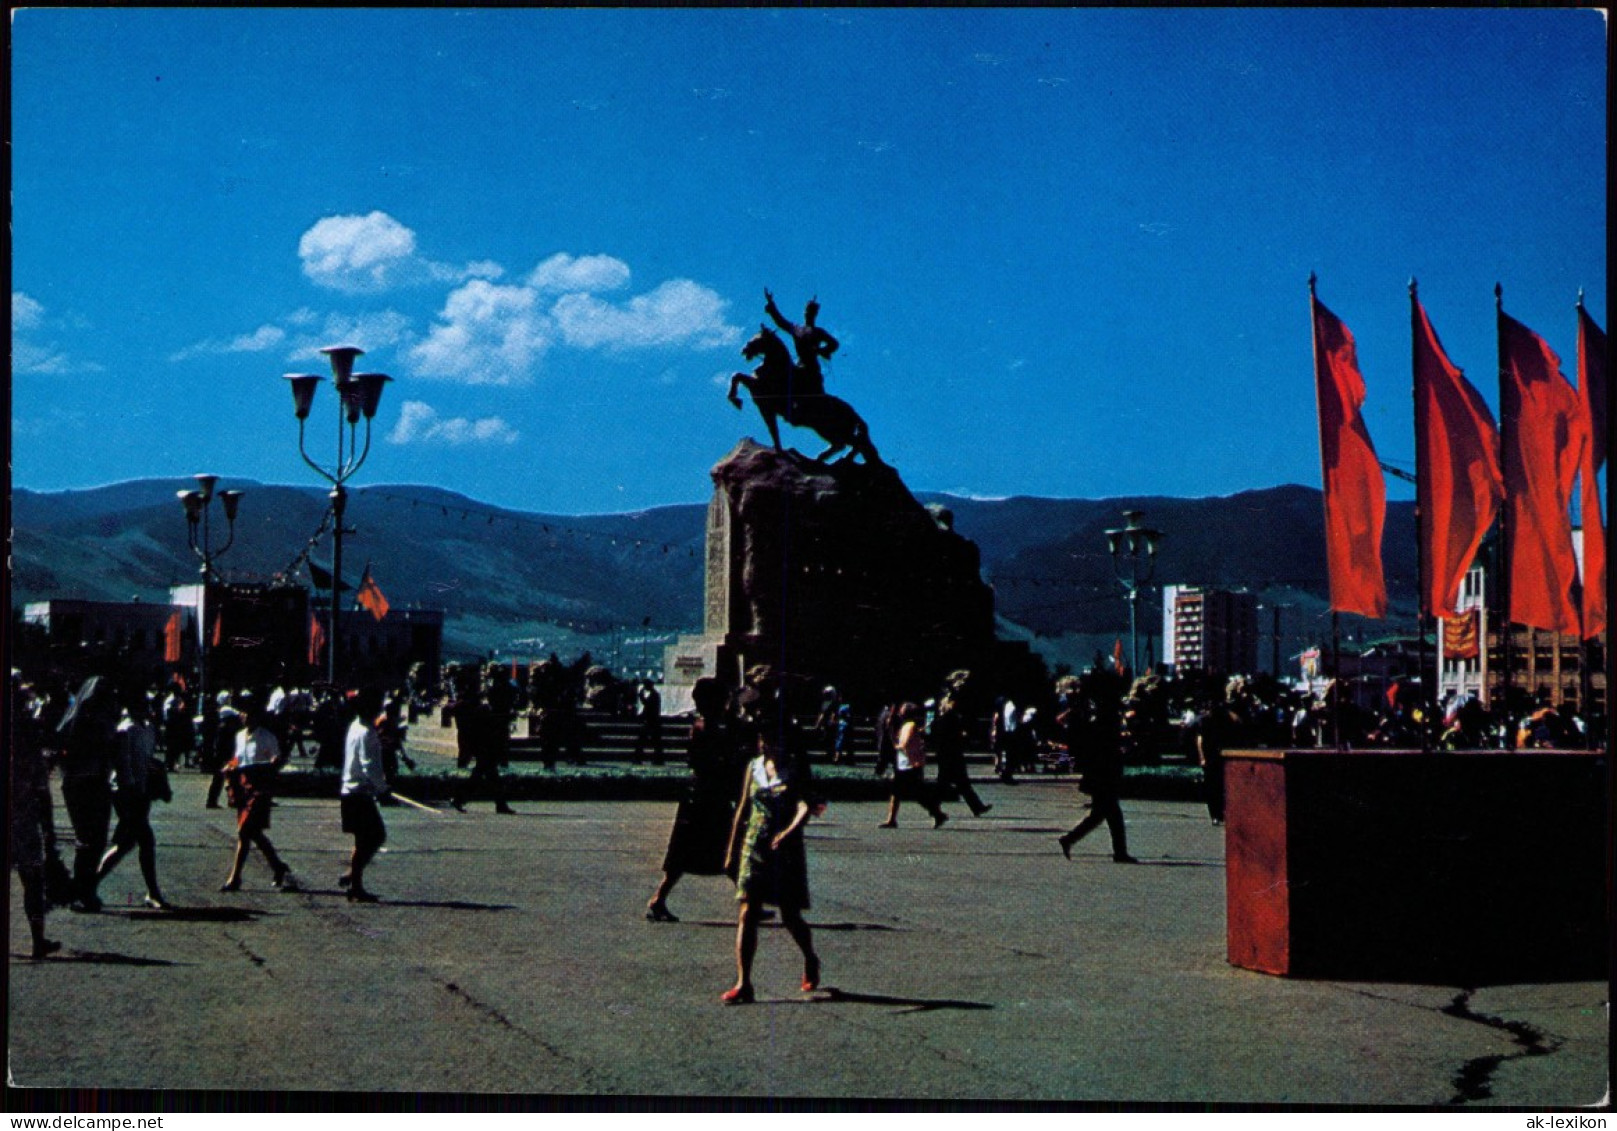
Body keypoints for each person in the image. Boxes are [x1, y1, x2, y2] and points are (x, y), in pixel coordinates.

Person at [720, 684, 822, 1005]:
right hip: (755, 845)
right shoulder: (753, 767)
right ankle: (743, 982)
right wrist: (731, 851)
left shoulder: (794, 768)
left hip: (785, 848)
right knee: (747, 911)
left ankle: (809, 957)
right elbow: (742, 810)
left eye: (771, 737)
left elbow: (807, 805)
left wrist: (790, 831)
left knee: (790, 915)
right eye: (763, 738)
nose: (766, 743)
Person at [646, 678, 740, 922]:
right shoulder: (708, 729)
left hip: (700, 796)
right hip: (707, 797)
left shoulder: (705, 726)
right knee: (727, 848)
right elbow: (716, 762)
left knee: (691, 853)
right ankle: (748, 899)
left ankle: (660, 899)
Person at [94, 687, 169, 909]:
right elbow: (122, 765)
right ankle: (153, 892)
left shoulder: (148, 729)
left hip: (142, 792)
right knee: (146, 840)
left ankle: (88, 885)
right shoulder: (125, 730)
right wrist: (132, 791)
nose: (146, 708)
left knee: (126, 844)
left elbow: (147, 760)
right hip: (126, 793)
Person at [1057, 671, 1138, 864]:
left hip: (1098, 767)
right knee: (1109, 811)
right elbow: (1104, 740)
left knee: (1102, 812)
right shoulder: (1101, 713)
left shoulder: (1092, 711)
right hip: (1102, 768)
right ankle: (1119, 852)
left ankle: (1070, 839)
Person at [219, 692, 297, 892]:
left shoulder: (267, 737)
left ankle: (235, 878)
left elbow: (277, 760)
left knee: (244, 832)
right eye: (244, 713)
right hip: (243, 786)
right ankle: (278, 866)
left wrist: (270, 764)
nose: (246, 717)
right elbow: (238, 759)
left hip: (260, 787)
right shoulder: (239, 736)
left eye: (250, 714)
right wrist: (230, 767)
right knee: (253, 833)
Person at [58, 674, 119, 913]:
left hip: (96, 781)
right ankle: (81, 892)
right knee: (87, 840)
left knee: (96, 840)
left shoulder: (101, 719)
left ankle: (83, 889)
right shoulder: (81, 720)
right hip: (81, 782)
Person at [12, 673, 61, 957]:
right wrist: (50, 829)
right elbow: (41, 789)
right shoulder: (29, 734)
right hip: (24, 817)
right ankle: (37, 939)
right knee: (32, 879)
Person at [339, 688, 390, 903]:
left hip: (350, 790)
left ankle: (353, 877)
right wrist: (383, 790)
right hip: (359, 792)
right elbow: (370, 767)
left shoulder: (355, 726)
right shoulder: (367, 732)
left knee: (367, 838)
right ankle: (356, 885)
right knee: (373, 837)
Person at [879, 702, 949, 829]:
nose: (900, 712)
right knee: (897, 792)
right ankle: (891, 820)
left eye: (902, 711)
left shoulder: (910, 726)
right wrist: (889, 729)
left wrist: (897, 745)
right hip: (903, 763)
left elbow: (903, 744)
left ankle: (937, 813)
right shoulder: (905, 726)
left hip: (911, 765)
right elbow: (897, 742)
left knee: (918, 794)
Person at [763, 288, 839, 405]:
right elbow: (781, 322)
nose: (807, 314)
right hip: (798, 366)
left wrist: (820, 350)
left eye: (811, 312)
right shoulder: (797, 329)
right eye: (807, 311)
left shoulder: (818, 332)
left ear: (815, 315)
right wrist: (771, 305)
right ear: (804, 312)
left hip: (811, 369)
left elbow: (834, 343)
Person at [930, 693, 991, 817]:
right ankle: (933, 807)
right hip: (951, 755)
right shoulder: (951, 719)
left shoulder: (942, 720)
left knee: (960, 784)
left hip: (947, 755)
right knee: (947, 784)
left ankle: (977, 807)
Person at [632, 679, 664, 764]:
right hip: (652, 721)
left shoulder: (654, 695)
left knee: (645, 741)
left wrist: (641, 696)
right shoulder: (654, 694)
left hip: (652, 721)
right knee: (654, 742)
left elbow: (648, 705)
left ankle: (640, 758)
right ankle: (657, 759)